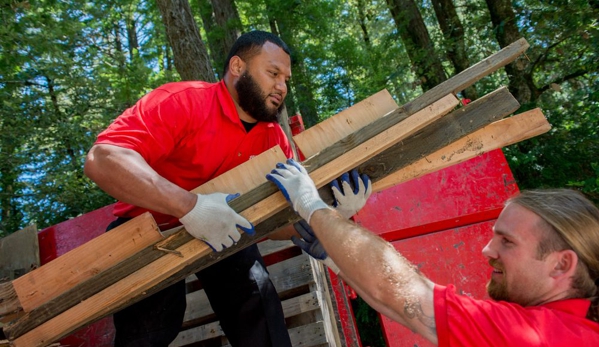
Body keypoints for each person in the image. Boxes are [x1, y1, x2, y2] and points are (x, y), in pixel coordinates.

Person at [85, 30, 297, 347]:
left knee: (260, 308)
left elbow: (276, 224)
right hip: (149, 231)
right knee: (147, 332)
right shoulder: (183, 101)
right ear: (237, 67)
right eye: (273, 73)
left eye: (286, 79)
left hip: (227, 230)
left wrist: (315, 221)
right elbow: (102, 160)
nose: (281, 87)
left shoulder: (274, 140)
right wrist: (190, 207)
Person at [266, 158, 599, 346]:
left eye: (507, 241)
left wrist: (310, 204)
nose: (487, 249)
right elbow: (407, 306)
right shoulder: (570, 332)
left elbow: (397, 290)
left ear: (561, 265)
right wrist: (336, 257)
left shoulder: (540, 338)